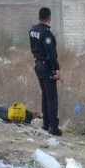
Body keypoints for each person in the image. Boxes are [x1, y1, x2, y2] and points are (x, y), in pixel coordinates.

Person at [29, 7, 62, 136]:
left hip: (38, 65)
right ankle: (53, 128)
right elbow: (51, 54)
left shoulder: (33, 31)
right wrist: (56, 69)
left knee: (45, 95)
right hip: (46, 67)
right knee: (52, 97)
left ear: (39, 18)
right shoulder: (47, 34)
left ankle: (46, 123)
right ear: (49, 19)